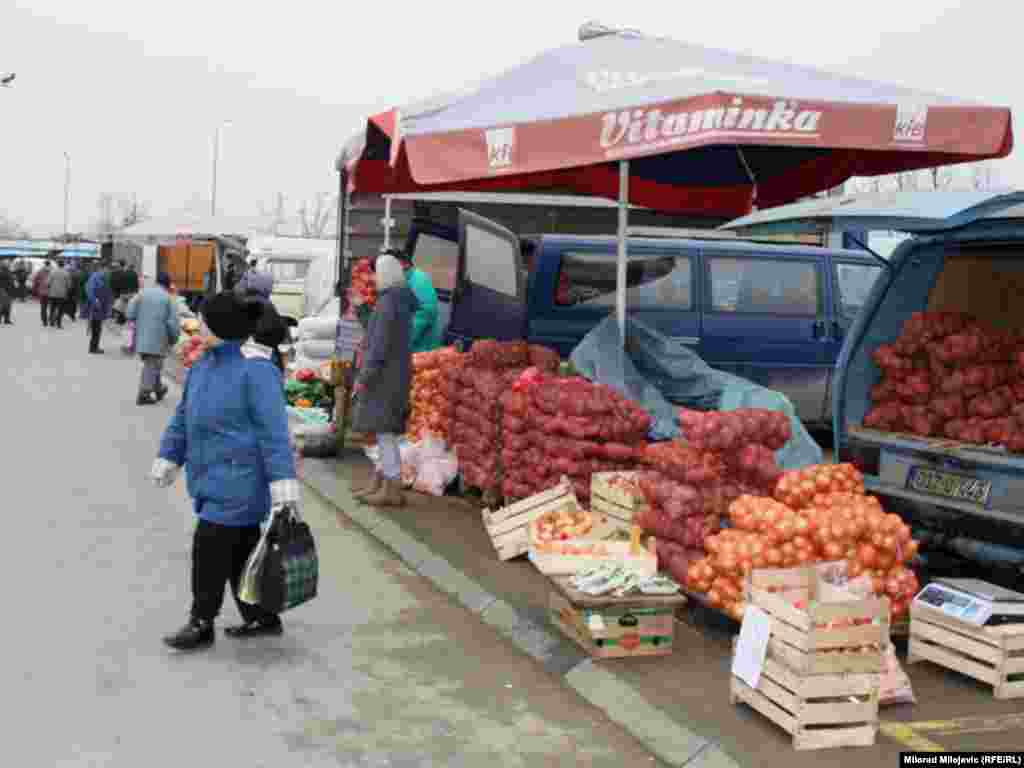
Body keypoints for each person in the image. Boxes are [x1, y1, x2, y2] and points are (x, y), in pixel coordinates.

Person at [150, 290, 299, 651]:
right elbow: (184, 416)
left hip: (240, 480)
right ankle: (261, 615)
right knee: (242, 550)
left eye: (203, 319)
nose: (197, 324)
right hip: (210, 476)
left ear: (218, 326)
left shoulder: (257, 370)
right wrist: (170, 455)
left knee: (210, 550)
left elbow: (274, 433)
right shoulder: (204, 364)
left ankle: (201, 621)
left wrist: (283, 484)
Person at [351, 252, 417, 507]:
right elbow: (376, 329)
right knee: (382, 432)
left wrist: (363, 377)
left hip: (384, 377)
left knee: (385, 433)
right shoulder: (394, 301)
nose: (375, 278)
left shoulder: (389, 303)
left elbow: (378, 346)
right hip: (393, 374)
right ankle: (381, 482)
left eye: (378, 272)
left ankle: (391, 488)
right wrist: (362, 309)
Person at [127, 271, 180, 405]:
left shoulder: (142, 293)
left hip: (142, 336)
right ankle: (144, 393)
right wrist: (174, 338)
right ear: (167, 285)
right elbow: (172, 322)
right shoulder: (168, 298)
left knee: (155, 364)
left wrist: (137, 320)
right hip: (158, 338)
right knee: (152, 364)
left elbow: (130, 312)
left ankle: (159, 389)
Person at [392, 249, 443, 353]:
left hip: (422, 352)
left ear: (403, 264)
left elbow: (422, 317)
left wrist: (394, 346)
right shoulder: (403, 281)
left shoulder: (419, 281)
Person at [238, 270, 289, 372]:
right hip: (264, 356)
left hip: (241, 356)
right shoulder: (267, 306)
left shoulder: (240, 303)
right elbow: (279, 333)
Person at [85, 264, 114, 354]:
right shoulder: (95, 277)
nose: (107, 271)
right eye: (106, 269)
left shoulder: (103, 277)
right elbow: (89, 290)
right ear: (102, 268)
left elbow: (107, 291)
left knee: (97, 327)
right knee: (96, 328)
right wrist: (95, 301)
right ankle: (93, 348)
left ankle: (94, 346)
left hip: (101, 306)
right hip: (96, 306)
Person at [46, 259, 72, 329]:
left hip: (53, 294)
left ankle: (51, 322)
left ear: (57, 264)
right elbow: (69, 285)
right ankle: (59, 324)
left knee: (52, 308)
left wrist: (50, 288)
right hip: (62, 294)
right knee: (60, 310)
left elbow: (48, 283)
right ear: (63, 265)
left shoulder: (52, 272)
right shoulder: (66, 273)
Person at [33, 261, 52, 327]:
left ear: (44, 264)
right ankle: (51, 319)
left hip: (42, 292)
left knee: (43, 307)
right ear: (49, 265)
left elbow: (35, 280)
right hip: (50, 292)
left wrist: (37, 286)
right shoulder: (52, 271)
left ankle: (44, 321)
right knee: (51, 307)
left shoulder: (40, 271)